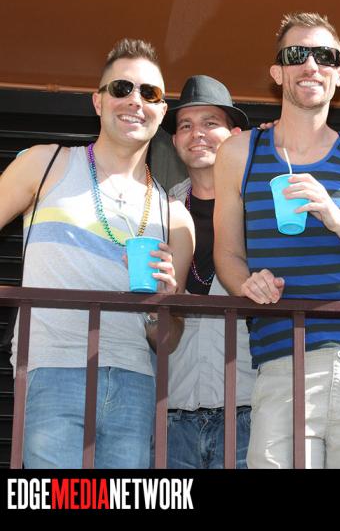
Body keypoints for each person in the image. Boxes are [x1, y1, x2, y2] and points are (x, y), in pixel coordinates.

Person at [214, 12, 340, 469]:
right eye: (296, 55)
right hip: (281, 362)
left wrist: (336, 217)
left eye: (324, 56)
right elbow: (227, 253)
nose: (311, 65)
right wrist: (246, 282)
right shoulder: (239, 153)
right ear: (277, 72)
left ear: (339, 75)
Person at [0, 38, 195, 468]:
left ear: (162, 111)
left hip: (135, 381)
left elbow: (168, 340)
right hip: (52, 369)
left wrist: (160, 306)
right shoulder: (45, 164)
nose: (135, 101)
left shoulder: (176, 217)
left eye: (150, 93)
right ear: (98, 101)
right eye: (122, 88)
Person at [161, 75, 255, 469]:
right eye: (186, 125)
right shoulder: (159, 211)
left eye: (210, 123)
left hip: (251, 410)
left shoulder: (263, 206)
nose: (196, 133)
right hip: (173, 414)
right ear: (174, 140)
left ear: (235, 136)